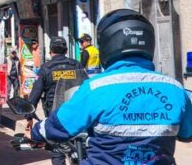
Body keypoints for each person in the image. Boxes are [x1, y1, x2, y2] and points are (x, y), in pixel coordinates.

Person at [30, 9, 192, 164]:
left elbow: (60, 126)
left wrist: (36, 132)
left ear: (108, 45)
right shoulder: (175, 89)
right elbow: (187, 134)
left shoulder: (95, 88)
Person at [26, 36, 83, 165]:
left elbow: (35, 93)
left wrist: (29, 116)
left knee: (57, 149)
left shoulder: (46, 68)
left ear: (51, 51)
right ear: (66, 50)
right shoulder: (76, 65)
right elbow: (86, 86)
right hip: (77, 113)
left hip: (56, 115)